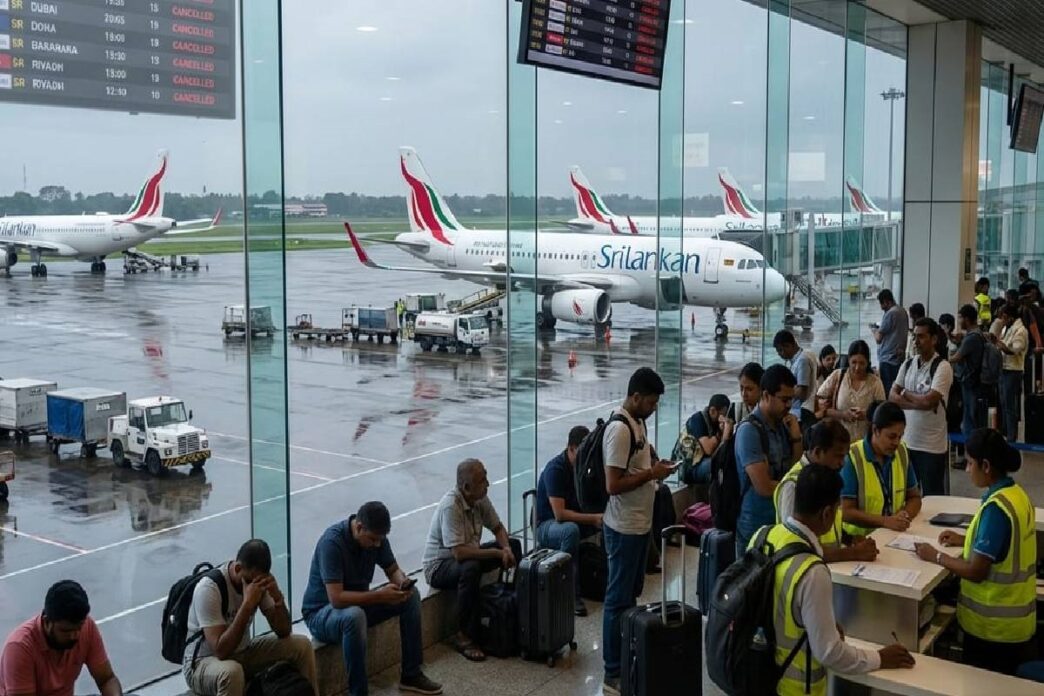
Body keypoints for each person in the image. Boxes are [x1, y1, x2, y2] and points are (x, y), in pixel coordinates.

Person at [755, 465, 914, 696]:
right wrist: (880, 657)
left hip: (759, 674)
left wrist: (820, 624)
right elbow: (830, 653)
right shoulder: (813, 571)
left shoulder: (763, 535)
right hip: (794, 687)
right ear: (827, 514)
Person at [913, 429, 1036, 675]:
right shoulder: (1016, 495)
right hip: (1017, 623)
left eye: (970, 463)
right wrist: (964, 539)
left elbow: (976, 571)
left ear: (986, 466)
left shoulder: (997, 508)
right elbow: (1003, 546)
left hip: (993, 629)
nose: (967, 470)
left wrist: (935, 556)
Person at [302, 502, 442, 696]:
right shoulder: (332, 543)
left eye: (380, 540)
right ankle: (358, 692)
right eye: (373, 540)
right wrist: (379, 595)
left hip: (358, 605)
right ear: (359, 527)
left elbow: (392, 569)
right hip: (322, 613)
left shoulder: (377, 538)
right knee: (354, 616)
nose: (377, 544)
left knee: (412, 598)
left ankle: (411, 674)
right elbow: (336, 599)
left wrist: (402, 584)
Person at [601, 368, 675, 696]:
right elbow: (613, 484)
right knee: (617, 599)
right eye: (651, 402)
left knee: (629, 596)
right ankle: (612, 671)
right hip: (623, 527)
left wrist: (657, 467)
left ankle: (625, 656)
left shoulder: (637, 423)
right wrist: (651, 475)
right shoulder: (619, 430)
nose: (654, 408)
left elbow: (640, 464)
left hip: (638, 525)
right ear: (635, 397)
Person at [183, 540, 317, 696]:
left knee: (301, 645)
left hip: (243, 652)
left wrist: (277, 598)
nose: (253, 587)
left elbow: (283, 631)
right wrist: (247, 605)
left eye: (258, 581)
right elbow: (221, 651)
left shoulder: (257, 581)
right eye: (248, 581)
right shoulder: (209, 589)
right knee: (232, 672)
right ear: (238, 568)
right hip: (202, 662)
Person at [423, 459, 520, 663]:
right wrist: (496, 554)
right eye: (483, 480)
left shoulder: (480, 498)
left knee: (514, 545)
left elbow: (498, 528)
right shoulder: (451, 506)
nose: (488, 484)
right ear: (467, 487)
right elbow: (459, 553)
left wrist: (506, 549)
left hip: (468, 555)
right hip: (440, 566)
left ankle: (512, 609)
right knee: (471, 568)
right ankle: (464, 635)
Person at [774, 420, 878, 564]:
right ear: (817, 452)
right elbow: (796, 545)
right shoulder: (793, 485)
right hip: (806, 569)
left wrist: (850, 539)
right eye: (838, 456)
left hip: (832, 566)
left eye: (844, 456)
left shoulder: (828, 477)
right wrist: (853, 553)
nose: (842, 463)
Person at [0, 581, 122, 696]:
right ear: (47, 622)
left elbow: (107, 679)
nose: (74, 636)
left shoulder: (87, 627)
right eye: (66, 631)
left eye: (78, 628)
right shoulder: (20, 648)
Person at [734, 364, 804, 555]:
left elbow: (795, 469)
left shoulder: (783, 426)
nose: (789, 405)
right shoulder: (749, 431)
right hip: (755, 527)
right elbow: (763, 487)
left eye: (791, 399)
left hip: (780, 521)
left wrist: (796, 438)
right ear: (765, 395)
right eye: (784, 399)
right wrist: (797, 489)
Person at [534, 425, 603, 617]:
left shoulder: (583, 468)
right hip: (546, 525)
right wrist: (593, 518)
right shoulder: (555, 469)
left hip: (572, 518)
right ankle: (569, 593)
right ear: (571, 448)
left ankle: (602, 579)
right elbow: (560, 514)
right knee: (570, 530)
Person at [890, 318, 954, 496]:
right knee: (905, 495)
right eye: (914, 336)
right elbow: (892, 396)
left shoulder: (943, 367)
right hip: (906, 443)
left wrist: (905, 393)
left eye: (921, 337)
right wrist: (917, 402)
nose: (916, 341)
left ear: (934, 339)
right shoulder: (907, 364)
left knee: (933, 497)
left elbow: (929, 401)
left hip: (931, 447)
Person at [840, 402, 922, 537]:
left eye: (900, 436)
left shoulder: (901, 452)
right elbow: (846, 512)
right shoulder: (853, 457)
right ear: (875, 430)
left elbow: (914, 497)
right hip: (859, 539)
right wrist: (884, 521)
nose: (896, 442)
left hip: (892, 535)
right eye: (891, 436)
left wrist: (904, 516)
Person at [816, 340, 886, 443]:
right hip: (838, 441)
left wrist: (867, 414)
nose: (857, 368)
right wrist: (842, 414)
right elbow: (818, 401)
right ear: (848, 360)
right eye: (854, 362)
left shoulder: (875, 383)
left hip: (866, 442)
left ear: (868, 363)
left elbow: (883, 412)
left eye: (862, 363)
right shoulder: (838, 376)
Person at [673, 393, 731, 485]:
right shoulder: (697, 419)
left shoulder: (715, 423)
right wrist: (721, 432)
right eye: (722, 414)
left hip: (702, 463)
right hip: (690, 468)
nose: (723, 418)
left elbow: (723, 449)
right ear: (713, 411)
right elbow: (708, 449)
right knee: (718, 464)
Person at [950, 304, 987, 439]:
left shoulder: (972, 338)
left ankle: (972, 445)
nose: (959, 321)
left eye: (960, 318)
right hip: (974, 381)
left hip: (971, 382)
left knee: (970, 417)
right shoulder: (978, 334)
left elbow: (956, 357)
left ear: (966, 319)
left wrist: (941, 360)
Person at [994, 304, 1028, 442]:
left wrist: (1000, 344)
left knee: (1009, 405)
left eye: (1004, 317)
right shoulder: (1007, 329)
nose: (1002, 320)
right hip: (1004, 368)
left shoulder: (1021, 331)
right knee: (1003, 403)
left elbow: (1015, 350)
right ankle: (1005, 431)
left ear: (1010, 317)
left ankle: (1011, 436)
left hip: (1013, 371)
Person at [773, 330, 819, 428]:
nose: (780, 354)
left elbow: (802, 393)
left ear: (789, 346)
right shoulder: (799, 359)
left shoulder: (802, 360)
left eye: (780, 350)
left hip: (802, 413)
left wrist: (783, 392)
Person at [874, 289, 909, 394]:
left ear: (886, 301)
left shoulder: (891, 313)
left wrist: (874, 331)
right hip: (899, 358)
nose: (881, 307)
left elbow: (878, 339)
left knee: (887, 391)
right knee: (896, 390)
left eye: (881, 304)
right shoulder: (903, 311)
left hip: (887, 359)